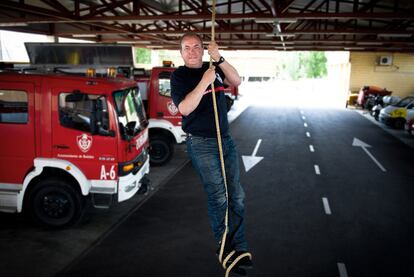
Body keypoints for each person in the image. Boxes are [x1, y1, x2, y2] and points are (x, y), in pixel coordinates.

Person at [171, 32, 253, 273]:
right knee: (219, 195)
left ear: (203, 49)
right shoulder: (180, 76)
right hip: (201, 143)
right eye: (187, 47)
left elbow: (236, 80)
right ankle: (225, 247)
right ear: (181, 52)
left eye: (197, 46)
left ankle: (239, 246)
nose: (193, 51)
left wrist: (219, 58)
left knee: (236, 195)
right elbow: (185, 109)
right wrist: (205, 82)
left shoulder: (213, 66)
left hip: (224, 140)